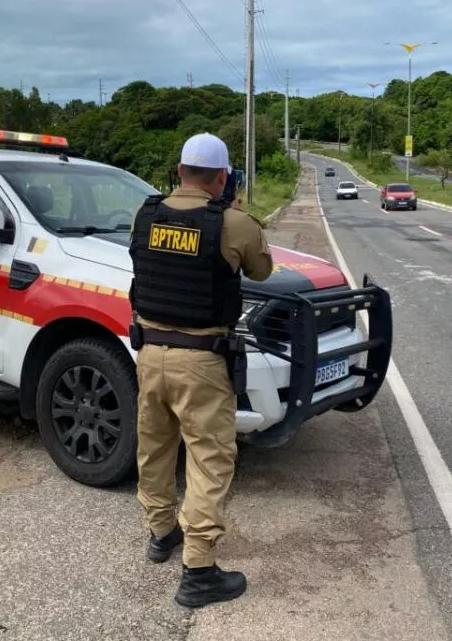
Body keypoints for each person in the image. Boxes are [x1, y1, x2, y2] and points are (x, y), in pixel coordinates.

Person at [128, 132, 274, 608]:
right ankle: (198, 571)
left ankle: (161, 533)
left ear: (179, 170)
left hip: (149, 354)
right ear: (221, 177)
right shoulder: (233, 223)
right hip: (201, 361)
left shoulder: (145, 214)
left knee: (154, 449)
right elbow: (262, 271)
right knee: (210, 460)